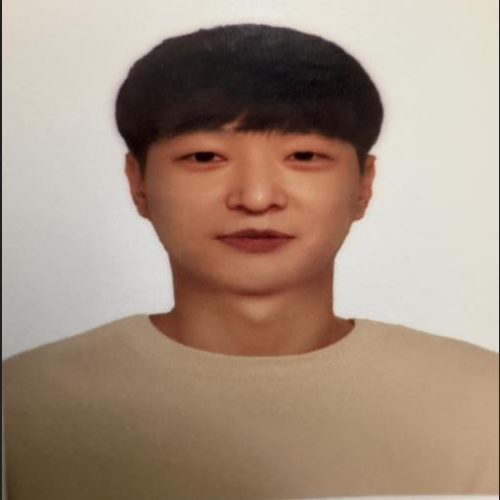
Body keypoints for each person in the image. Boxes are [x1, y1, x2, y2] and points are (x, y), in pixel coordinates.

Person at [2, 23, 498, 500]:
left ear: (363, 185)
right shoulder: (23, 403)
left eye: (304, 156)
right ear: (139, 182)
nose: (257, 198)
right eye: (205, 157)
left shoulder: (482, 399)